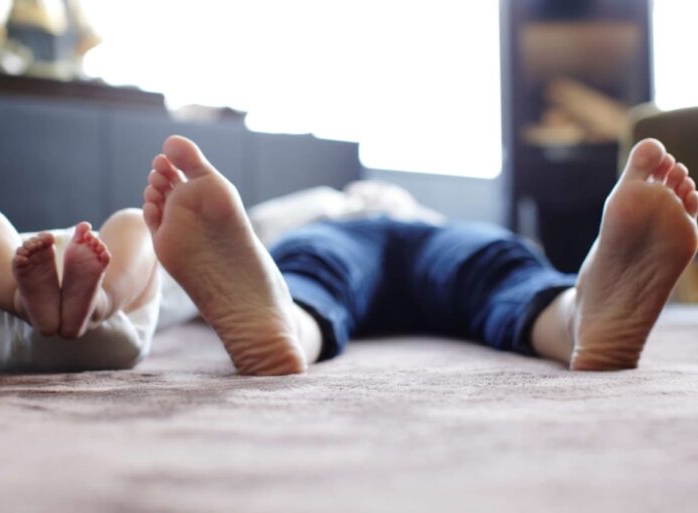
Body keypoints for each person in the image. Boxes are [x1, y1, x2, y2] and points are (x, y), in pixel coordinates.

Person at [143, 135, 698, 376]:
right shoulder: (318, 206)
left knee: (492, 264)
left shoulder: (357, 211)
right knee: (491, 267)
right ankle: (572, 321)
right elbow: (231, 240)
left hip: (405, 236)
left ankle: (586, 318)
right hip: (359, 234)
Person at [0, 207, 160, 372]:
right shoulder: (102, 248)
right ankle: (102, 300)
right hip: (115, 328)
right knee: (138, 222)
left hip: (0, 332)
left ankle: (19, 299)